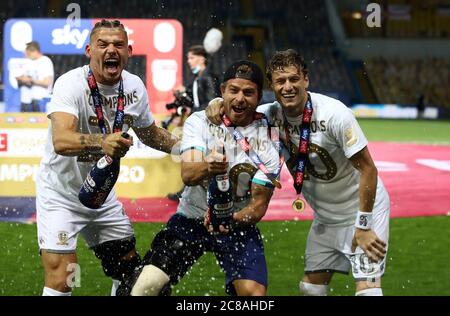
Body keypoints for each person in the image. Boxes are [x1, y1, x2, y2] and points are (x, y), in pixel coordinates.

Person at [206, 49, 390, 296]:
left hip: (362, 211)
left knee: (367, 290)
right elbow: (237, 107)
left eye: (294, 79)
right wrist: (215, 103)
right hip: (325, 217)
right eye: (280, 81)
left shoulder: (335, 114)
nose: (288, 87)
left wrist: (365, 225)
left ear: (306, 79)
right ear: (272, 85)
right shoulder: (270, 115)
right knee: (311, 289)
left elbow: (368, 169)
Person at [36, 19, 179, 296]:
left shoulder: (134, 86)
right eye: (103, 44)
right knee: (64, 277)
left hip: (100, 196)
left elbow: (149, 133)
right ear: (89, 50)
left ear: (129, 51)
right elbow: (61, 141)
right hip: (60, 195)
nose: (111, 50)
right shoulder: (70, 84)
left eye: (118, 44)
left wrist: (186, 149)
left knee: (129, 273)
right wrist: (103, 142)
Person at [118, 60, 281, 296]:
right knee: (144, 288)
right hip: (191, 219)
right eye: (233, 90)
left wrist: (228, 220)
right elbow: (189, 174)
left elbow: (258, 206)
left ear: (258, 97)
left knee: (254, 296)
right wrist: (209, 166)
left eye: (248, 92)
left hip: (236, 226)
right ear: (223, 91)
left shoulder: (268, 140)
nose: (240, 99)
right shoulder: (200, 121)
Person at [167, 45, 221, 202]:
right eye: (188, 58)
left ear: (202, 59)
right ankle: (188, 191)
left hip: (209, 125)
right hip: (201, 125)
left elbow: (213, 103)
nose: (188, 61)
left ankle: (197, 193)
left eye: (191, 58)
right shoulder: (198, 79)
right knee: (196, 159)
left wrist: (193, 113)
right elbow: (193, 99)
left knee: (201, 160)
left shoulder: (208, 77)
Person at [16, 41, 54, 112]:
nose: (27, 56)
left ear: (35, 51)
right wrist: (22, 79)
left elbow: (46, 83)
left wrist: (30, 80)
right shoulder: (28, 62)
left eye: (28, 54)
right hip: (26, 100)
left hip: (40, 100)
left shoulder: (45, 61)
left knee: (39, 123)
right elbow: (20, 77)